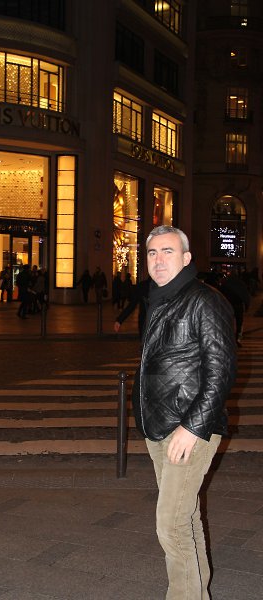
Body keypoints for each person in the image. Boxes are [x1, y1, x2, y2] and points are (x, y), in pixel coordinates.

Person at [132, 225, 237, 600]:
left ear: (187, 258)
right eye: (152, 253)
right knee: (185, 517)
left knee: (170, 524)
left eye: (168, 252)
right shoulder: (159, 298)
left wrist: (191, 428)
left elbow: (221, 371)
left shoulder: (204, 300)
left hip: (189, 430)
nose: (158, 260)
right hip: (158, 426)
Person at [220, 269, 251, 347]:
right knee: (239, 323)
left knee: (228, 323)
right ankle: (237, 339)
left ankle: (228, 339)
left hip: (228, 305)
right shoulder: (240, 283)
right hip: (238, 305)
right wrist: (247, 305)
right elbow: (245, 295)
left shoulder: (225, 283)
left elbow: (220, 294)